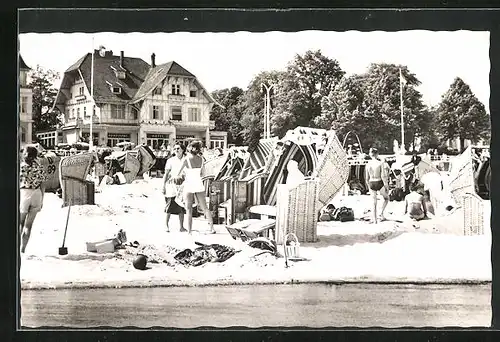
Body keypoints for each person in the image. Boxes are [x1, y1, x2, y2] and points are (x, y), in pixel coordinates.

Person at [175, 141, 215, 235]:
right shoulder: (201, 159)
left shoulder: (186, 160)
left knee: (189, 209)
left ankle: (189, 231)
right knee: (205, 207)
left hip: (189, 184)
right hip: (198, 183)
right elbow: (203, 174)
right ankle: (212, 227)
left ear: (191, 148)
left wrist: (185, 174)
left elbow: (178, 173)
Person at [19, 145, 47, 253]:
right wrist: (42, 200)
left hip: (25, 193)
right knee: (28, 225)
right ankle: (23, 249)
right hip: (37, 193)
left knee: (20, 223)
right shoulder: (39, 167)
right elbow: (43, 184)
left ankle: (17, 249)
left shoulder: (21, 166)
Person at [162, 143, 187, 232]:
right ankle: (166, 226)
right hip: (171, 185)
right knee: (169, 206)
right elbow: (166, 174)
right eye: (175, 148)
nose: (176, 150)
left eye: (178, 148)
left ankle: (181, 227)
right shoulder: (170, 160)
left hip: (182, 185)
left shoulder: (186, 160)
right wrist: (163, 186)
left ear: (183, 150)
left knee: (181, 207)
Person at [365, 147, 390, 223]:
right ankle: (381, 213)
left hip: (371, 182)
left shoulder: (368, 164)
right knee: (386, 198)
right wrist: (386, 186)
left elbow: (366, 178)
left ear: (370, 154)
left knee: (374, 202)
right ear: (377, 154)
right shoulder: (380, 163)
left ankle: (375, 220)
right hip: (379, 182)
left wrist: (369, 186)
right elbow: (383, 176)